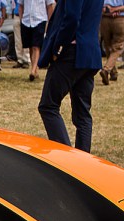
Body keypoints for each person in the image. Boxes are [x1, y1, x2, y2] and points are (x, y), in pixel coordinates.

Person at [36, 0, 102, 153]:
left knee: (48, 106)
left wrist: (58, 48)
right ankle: (82, 162)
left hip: (72, 51)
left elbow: (72, 17)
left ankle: (68, 159)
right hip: (89, 52)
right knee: (83, 114)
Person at [18, 0, 55, 81]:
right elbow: (20, 5)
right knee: (30, 46)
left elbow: (49, 6)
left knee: (36, 46)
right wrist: (21, 19)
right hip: (26, 21)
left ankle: (33, 70)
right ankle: (35, 69)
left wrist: (50, 22)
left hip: (40, 20)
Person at [99, 0, 124, 84]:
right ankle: (106, 69)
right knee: (117, 47)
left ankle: (113, 73)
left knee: (107, 46)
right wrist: (115, 10)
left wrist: (107, 10)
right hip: (119, 19)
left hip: (105, 19)